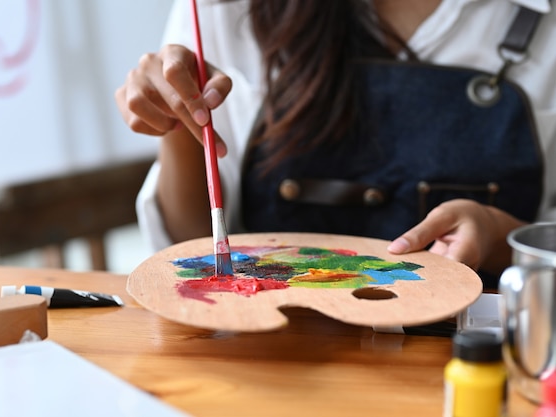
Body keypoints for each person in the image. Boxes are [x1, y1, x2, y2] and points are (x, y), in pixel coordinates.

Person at [116, 0, 556, 288]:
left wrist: (499, 237)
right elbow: (189, 246)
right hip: (266, 359)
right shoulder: (224, 9)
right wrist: (179, 124)